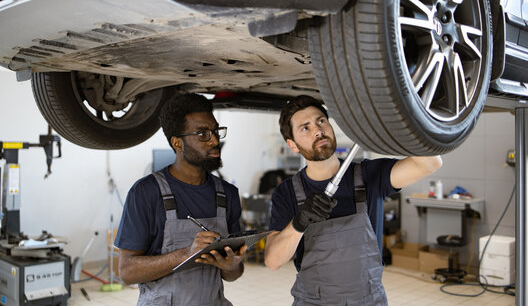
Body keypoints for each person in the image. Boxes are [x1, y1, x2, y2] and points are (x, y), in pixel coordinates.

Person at [264, 95, 442, 305]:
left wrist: (401, 120)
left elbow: (431, 163)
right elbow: (273, 261)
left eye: (321, 120)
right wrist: (299, 223)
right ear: (292, 145)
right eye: (305, 127)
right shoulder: (286, 193)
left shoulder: (368, 175)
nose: (318, 130)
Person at [115, 93, 246, 306]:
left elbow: (233, 274)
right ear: (177, 142)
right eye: (202, 134)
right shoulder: (146, 193)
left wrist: (231, 266)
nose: (214, 140)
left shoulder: (228, 194)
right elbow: (127, 272)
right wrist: (187, 253)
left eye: (215, 131)